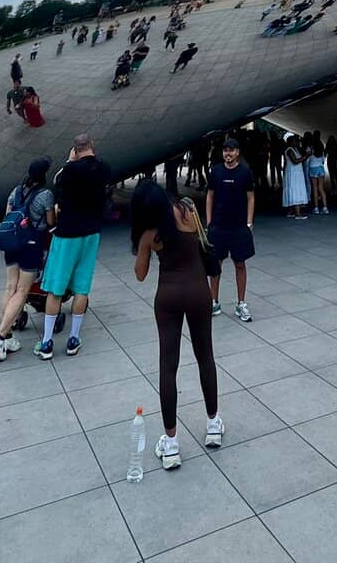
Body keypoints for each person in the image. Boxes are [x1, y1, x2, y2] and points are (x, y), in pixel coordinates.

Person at [132, 183, 223, 469]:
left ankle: (171, 444)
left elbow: (140, 275)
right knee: (205, 357)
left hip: (168, 297)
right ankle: (213, 424)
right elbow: (204, 245)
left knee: (168, 366)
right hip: (199, 293)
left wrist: (141, 242)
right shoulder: (189, 211)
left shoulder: (150, 233)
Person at [35, 134, 110, 360]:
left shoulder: (68, 172)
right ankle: (73, 339)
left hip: (67, 233)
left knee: (56, 288)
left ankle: (47, 342)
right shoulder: (104, 168)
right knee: (82, 288)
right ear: (92, 146)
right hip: (91, 233)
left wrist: (70, 161)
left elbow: (58, 181)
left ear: (74, 150)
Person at [0, 158, 56, 361]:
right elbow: (50, 221)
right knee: (22, 290)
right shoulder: (45, 195)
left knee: (10, 287)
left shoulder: (16, 191)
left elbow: (8, 215)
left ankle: (7, 336)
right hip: (31, 245)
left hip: (12, 244)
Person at [206, 137, 255, 321]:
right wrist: (209, 223)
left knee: (240, 264)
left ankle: (241, 303)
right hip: (218, 227)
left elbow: (251, 198)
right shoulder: (216, 172)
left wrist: (249, 223)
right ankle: (213, 302)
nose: (228, 153)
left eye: (232, 150)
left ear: (238, 152)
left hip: (239, 227)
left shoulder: (245, 173)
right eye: (225, 150)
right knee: (215, 265)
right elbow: (210, 196)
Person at [282, 135, 308, 219]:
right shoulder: (289, 150)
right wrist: (306, 156)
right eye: (295, 141)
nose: (297, 142)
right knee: (295, 190)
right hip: (294, 173)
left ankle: (291, 211)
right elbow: (295, 161)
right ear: (290, 142)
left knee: (292, 190)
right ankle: (298, 213)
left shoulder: (295, 149)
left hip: (294, 172)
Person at [306, 135, 329, 215]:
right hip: (320, 168)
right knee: (321, 188)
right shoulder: (321, 150)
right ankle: (325, 207)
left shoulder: (310, 148)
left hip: (313, 168)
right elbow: (323, 161)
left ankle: (316, 208)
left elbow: (307, 159)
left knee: (315, 189)